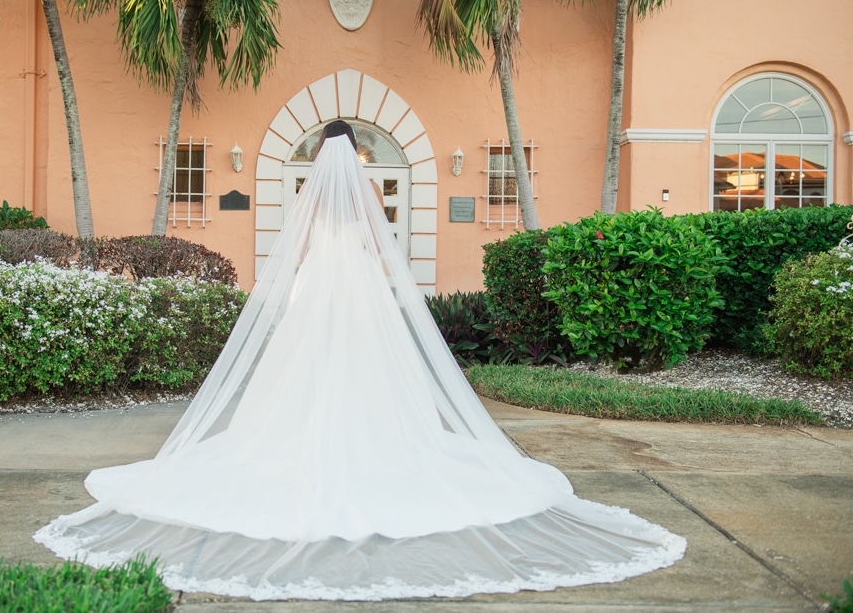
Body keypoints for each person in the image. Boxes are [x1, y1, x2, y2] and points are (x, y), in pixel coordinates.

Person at [35, 119, 685, 601]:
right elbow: (384, 248)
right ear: (358, 158)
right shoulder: (369, 195)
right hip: (358, 287)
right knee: (369, 369)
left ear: (322, 156)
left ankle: (307, 437)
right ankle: (374, 440)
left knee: (305, 369)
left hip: (318, 285)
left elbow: (294, 249)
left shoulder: (311, 196)